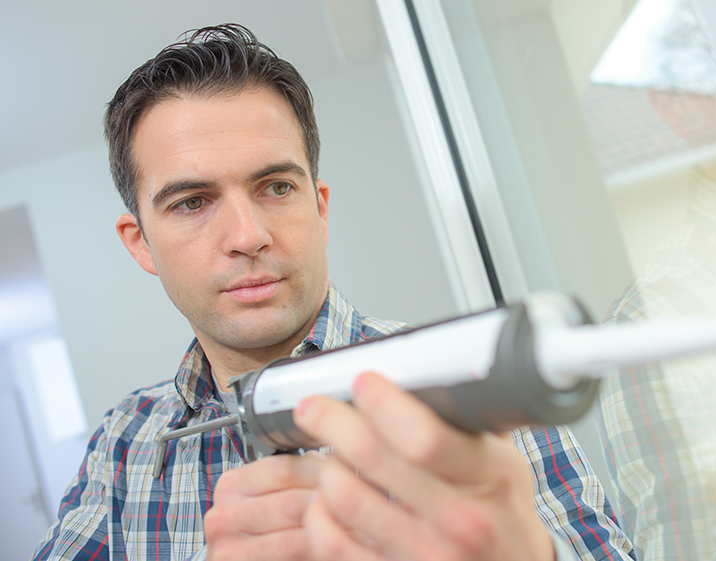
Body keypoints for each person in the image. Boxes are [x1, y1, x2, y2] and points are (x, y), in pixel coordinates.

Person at [32, 24, 633, 561]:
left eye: (275, 188)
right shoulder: (126, 443)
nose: (248, 236)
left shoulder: (479, 387)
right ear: (140, 243)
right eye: (192, 202)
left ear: (318, 208)